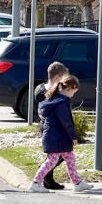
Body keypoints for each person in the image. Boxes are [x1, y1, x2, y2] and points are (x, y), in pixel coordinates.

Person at [29, 76, 94, 193]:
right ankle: (36, 182)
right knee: (52, 161)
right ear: (70, 88)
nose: (73, 95)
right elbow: (66, 122)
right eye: (74, 92)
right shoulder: (61, 103)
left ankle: (77, 183)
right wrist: (73, 137)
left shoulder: (55, 100)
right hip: (57, 137)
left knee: (70, 158)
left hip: (57, 136)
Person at [34, 62, 69, 190]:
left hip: (45, 125)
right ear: (57, 77)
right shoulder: (53, 93)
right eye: (64, 78)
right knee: (60, 153)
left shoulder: (40, 89)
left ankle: (48, 178)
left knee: (55, 154)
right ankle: (45, 173)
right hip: (53, 127)